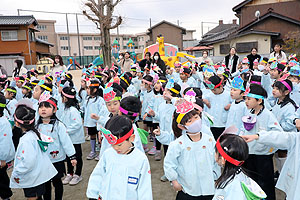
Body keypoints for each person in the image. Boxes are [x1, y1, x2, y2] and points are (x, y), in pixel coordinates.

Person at [164, 100, 220, 200]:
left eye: (196, 117)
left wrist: (217, 177)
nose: (195, 121)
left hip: (209, 188)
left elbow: (215, 162)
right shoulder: (177, 144)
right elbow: (169, 164)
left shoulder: (209, 140)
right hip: (187, 188)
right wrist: (174, 181)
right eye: (190, 121)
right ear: (182, 126)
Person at [86, 116, 153, 200]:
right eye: (112, 145)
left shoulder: (140, 159)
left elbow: (145, 187)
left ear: (132, 138)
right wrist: (93, 195)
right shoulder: (108, 154)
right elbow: (97, 175)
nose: (116, 148)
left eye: (119, 145)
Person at [241, 84, 283, 200]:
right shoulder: (249, 114)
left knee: (266, 184)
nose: (246, 101)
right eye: (245, 98)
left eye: (249, 99)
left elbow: (278, 133)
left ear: (259, 100)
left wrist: (260, 136)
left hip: (263, 156)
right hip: (249, 154)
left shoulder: (268, 115)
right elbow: (243, 129)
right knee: (251, 182)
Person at [10, 101, 57, 200]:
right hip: (39, 173)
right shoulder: (34, 133)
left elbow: (28, 162)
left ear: (17, 122)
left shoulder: (25, 140)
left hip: (32, 177)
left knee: (32, 197)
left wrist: (17, 171)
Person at [37, 94, 76, 200]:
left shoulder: (59, 125)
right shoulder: (36, 126)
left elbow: (66, 142)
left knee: (57, 182)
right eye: (41, 106)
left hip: (57, 160)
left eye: (47, 106)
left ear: (54, 110)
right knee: (45, 184)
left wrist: (72, 156)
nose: (43, 109)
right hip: (43, 160)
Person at [213, 134, 266, 200]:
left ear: (223, 159)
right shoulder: (242, 177)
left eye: (216, 151)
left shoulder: (232, 186)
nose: (214, 154)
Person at [60, 87, 85, 186]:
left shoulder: (73, 110)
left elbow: (77, 124)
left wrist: (66, 131)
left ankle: (77, 174)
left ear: (66, 98)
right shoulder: (66, 109)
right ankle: (70, 173)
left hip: (75, 138)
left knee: (77, 156)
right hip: (68, 138)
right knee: (69, 155)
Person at [203, 75, 231, 140]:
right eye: (211, 90)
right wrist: (204, 101)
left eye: (214, 90)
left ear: (221, 86)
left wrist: (230, 105)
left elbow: (236, 103)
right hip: (211, 125)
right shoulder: (208, 94)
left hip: (222, 124)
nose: (213, 92)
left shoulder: (228, 95)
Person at [84, 80, 106, 160]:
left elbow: (102, 111)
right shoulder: (87, 99)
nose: (87, 90)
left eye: (89, 88)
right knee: (92, 136)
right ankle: (93, 151)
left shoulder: (100, 100)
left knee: (100, 137)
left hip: (98, 122)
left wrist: (98, 119)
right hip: (90, 122)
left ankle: (101, 152)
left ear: (95, 89)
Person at [0, 95, 15, 200]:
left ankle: (6, 197)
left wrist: (3, 158)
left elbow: (5, 143)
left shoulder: (3, 123)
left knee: (2, 180)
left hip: (1, 159)